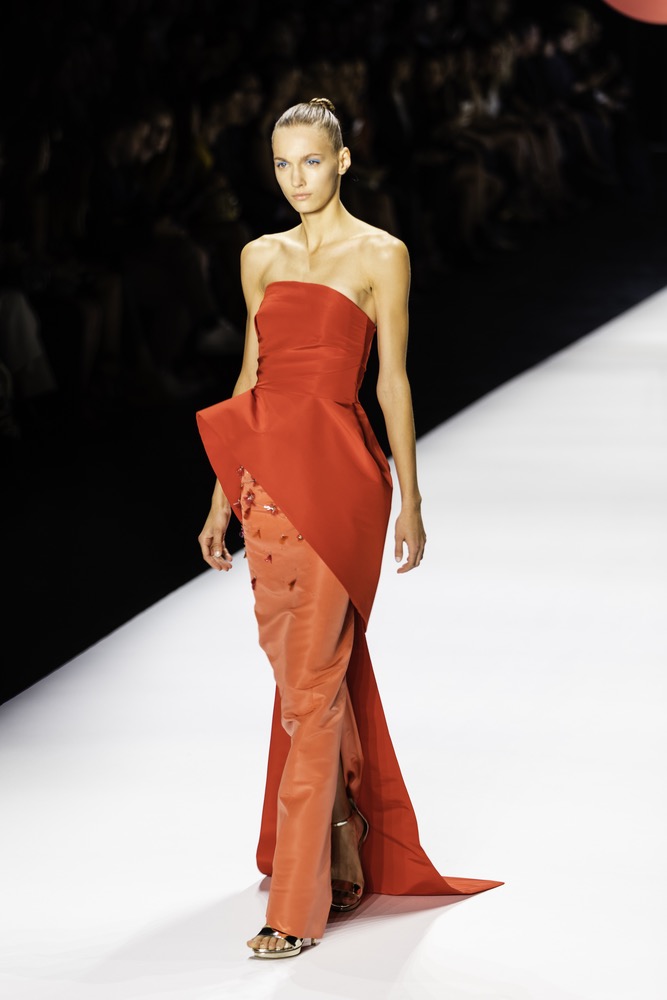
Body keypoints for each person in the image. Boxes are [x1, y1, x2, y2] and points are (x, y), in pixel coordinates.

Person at [196, 98, 502, 960]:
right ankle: (339, 837)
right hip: (264, 489)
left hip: (339, 483)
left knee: (312, 686)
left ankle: (298, 906)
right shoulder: (259, 256)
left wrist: (411, 495)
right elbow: (251, 374)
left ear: (342, 162)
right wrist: (222, 493)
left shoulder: (380, 254)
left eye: (310, 162)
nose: (296, 178)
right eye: (281, 164)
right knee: (300, 679)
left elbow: (392, 383)